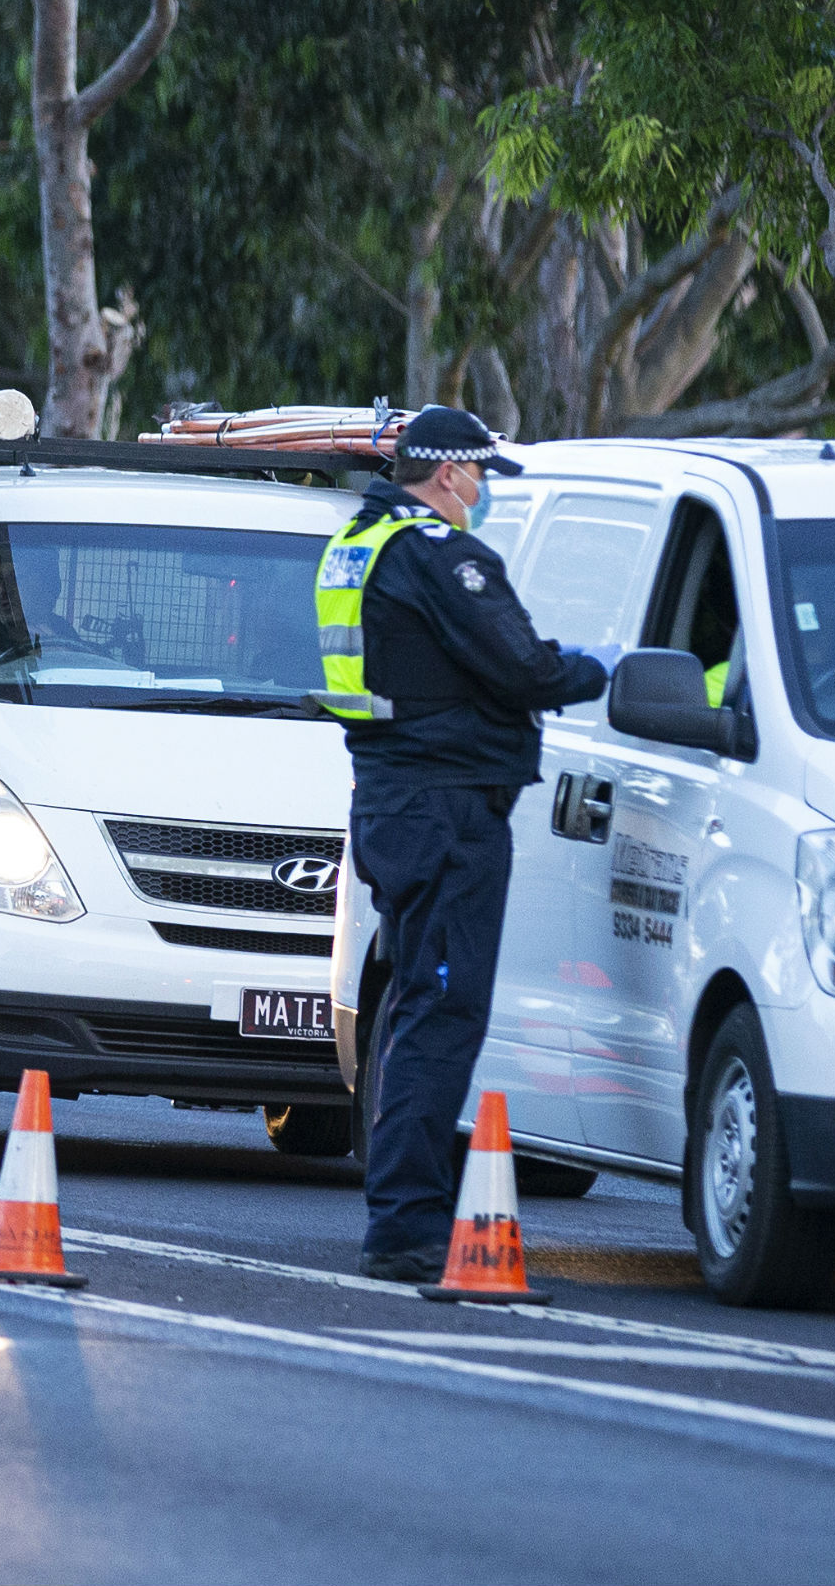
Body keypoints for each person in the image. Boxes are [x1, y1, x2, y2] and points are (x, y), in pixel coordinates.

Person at [312, 407, 613, 1282]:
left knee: (417, 1004)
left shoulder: (356, 546)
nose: (480, 494)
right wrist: (605, 664)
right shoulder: (440, 555)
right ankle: (405, 1225)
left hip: (393, 801)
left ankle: (404, 1211)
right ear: (447, 474)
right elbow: (526, 669)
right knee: (442, 1013)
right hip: (447, 810)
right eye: (478, 476)